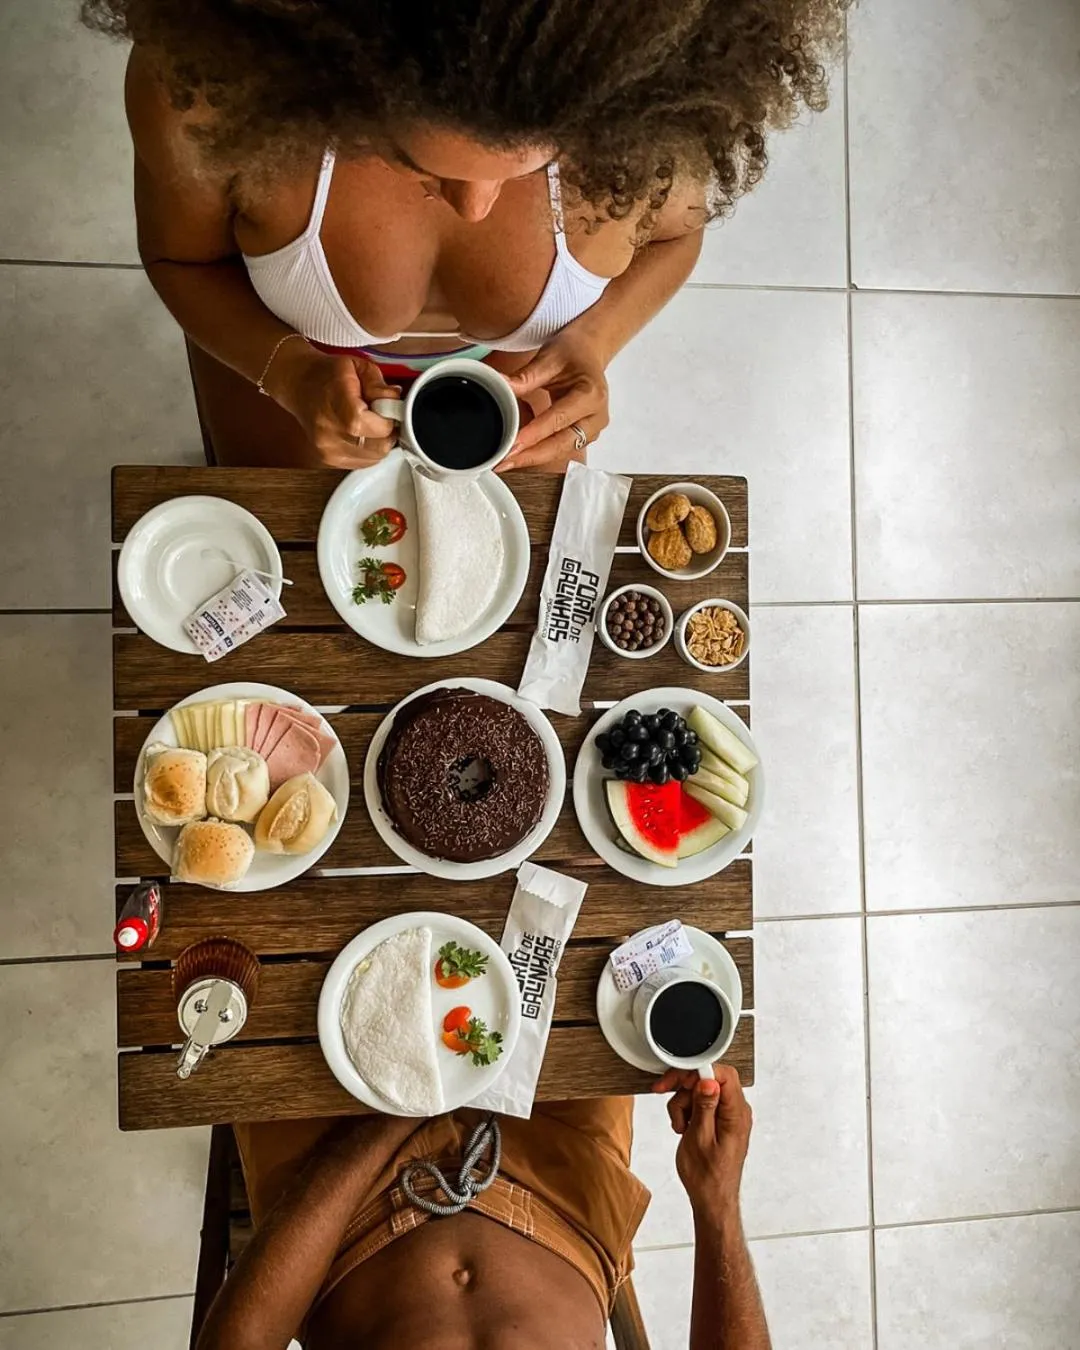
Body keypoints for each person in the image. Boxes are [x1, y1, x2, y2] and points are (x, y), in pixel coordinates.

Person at [83, 0, 846, 471]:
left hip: (514, 391)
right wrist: (286, 373)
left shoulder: (654, 139)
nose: (475, 208)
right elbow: (181, 259)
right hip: (278, 350)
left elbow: (674, 241)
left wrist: (594, 344)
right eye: (421, 164)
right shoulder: (205, 92)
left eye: (526, 166)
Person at [195, 1065, 769, 1350]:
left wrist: (393, 1120)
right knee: (585, 929)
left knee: (272, 941)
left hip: (339, 1208)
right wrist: (715, 1199)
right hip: (564, 1185)